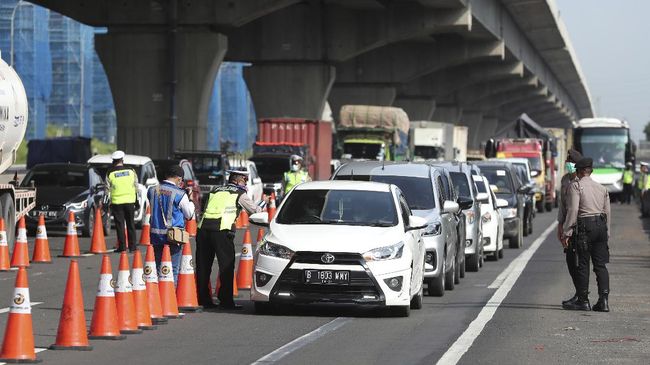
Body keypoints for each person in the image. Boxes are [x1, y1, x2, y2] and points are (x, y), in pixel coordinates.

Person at [196, 170, 266, 309]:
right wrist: (263, 204)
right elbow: (255, 211)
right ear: (239, 180)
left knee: (203, 267)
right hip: (222, 230)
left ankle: (203, 300)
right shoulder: (239, 193)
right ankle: (226, 301)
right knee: (226, 267)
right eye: (245, 180)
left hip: (203, 229)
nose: (245, 183)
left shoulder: (215, 190)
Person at [561, 157, 611, 312]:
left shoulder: (576, 186)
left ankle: (583, 300)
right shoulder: (602, 188)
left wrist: (567, 231)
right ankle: (603, 301)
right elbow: (607, 211)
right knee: (600, 265)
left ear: (579, 171)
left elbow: (573, 210)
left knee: (582, 264)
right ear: (591, 171)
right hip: (601, 226)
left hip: (585, 226)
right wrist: (607, 232)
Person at [147, 165, 195, 284]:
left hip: (155, 235)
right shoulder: (180, 194)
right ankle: (169, 297)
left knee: (159, 268)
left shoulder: (152, 190)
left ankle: (158, 296)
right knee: (172, 269)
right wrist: (191, 200)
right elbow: (189, 215)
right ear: (179, 179)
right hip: (173, 236)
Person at [556, 149, 582, 306]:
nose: (568, 165)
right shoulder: (565, 180)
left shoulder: (581, 180)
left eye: (571, 162)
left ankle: (582, 295)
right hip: (566, 223)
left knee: (580, 263)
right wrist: (560, 225)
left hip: (580, 226)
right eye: (567, 162)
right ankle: (579, 293)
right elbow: (562, 206)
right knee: (571, 261)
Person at [105, 150, 138, 252]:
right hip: (130, 201)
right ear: (122, 160)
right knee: (131, 224)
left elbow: (107, 189)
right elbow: (136, 186)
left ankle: (122, 247)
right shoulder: (131, 171)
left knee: (120, 226)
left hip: (117, 202)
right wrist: (137, 200)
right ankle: (133, 247)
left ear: (113, 161)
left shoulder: (110, 173)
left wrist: (106, 203)